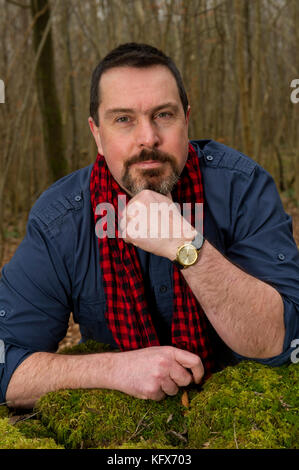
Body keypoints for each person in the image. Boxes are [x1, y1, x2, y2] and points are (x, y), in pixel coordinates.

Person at [1, 43, 298, 410]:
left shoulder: (241, 189)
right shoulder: (61, 219)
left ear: (186, 120)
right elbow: (6, 361)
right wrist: (115, 369)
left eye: (163, 115)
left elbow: (285, 340)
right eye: (123, 119)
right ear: (96, 133)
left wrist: (188, 248)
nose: (148, 138)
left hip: (240, 417)